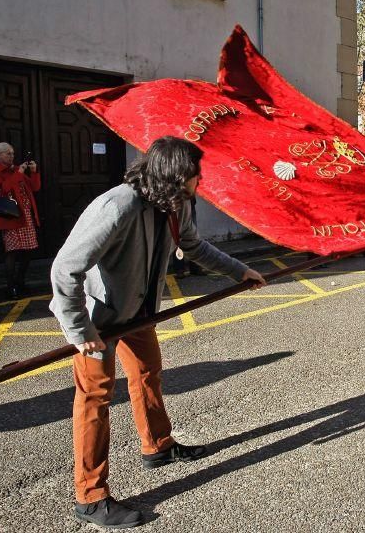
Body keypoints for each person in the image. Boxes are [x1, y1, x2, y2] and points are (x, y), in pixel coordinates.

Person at [50, 137, 267, 529]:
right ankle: (90, 496)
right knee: (95, 398)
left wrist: (239, 271)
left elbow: (194, 246)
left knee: (149, 372)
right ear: (175, 175)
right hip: (98, 319)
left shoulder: (175, 205)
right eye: (195, 174)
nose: (201, 179)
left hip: (139, 312)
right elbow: (66, 268)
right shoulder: (116, 206)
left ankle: (157, 446)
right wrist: (78, 327)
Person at [0, 143, 41, 298]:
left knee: (29, 250)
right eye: (7, 153)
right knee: (12, 251)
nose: (11, 156)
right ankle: (11, 287)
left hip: (26, 215)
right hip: (11, 215)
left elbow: (35, 187)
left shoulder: (16, 169)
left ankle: (20, 281)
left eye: (12, 153)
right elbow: (1, 190)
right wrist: (18, 174)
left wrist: (33, 172)